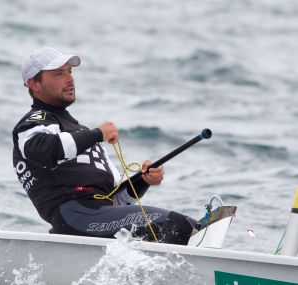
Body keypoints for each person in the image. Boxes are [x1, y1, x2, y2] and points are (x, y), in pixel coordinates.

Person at [12, 47, 196, 245]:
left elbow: (117, 200)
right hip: (74, 218)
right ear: (34, 84)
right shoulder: (32, 123)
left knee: (187, 226)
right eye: (59, 73)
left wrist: (144, 181)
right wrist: (97, 134)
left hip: (96, 217)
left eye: (70, 72)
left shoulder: (79, 131)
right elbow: (45, 151)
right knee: (176, 225)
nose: (69, 79)